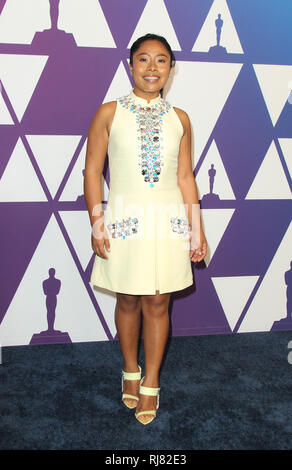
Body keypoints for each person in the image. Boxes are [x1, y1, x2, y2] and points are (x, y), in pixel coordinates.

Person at [84, 33, 207, 425]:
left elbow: (185, 176)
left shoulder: (180, 118)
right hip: (124, 220)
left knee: (158, 303)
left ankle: (152, 379)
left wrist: (197, 229)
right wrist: (97, 221)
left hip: (168, 222)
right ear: (130, 64)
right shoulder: (108, 112)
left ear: (171, 69)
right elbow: (91, 171)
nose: (152, 68)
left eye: (161, 61)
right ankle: (130, 369)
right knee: (128, 300)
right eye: (143, 59)